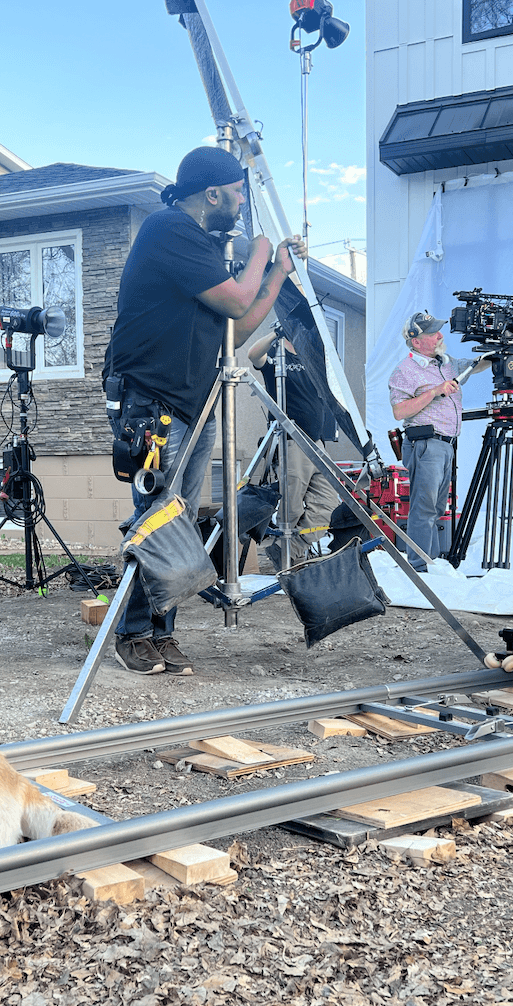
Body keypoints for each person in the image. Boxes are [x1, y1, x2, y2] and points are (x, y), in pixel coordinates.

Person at [103, 145, 306, 676]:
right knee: (158, 518)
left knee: (181, 519)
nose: (242, 202)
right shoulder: (168, 229)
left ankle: (161, 632)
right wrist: (261, 248)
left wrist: (277, 272)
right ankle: (133, 634)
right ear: (213, 193)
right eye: (239, 192)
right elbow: (240, 299)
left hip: (193, 397)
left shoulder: (201, 247)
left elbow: (238, 322)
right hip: (151, 398)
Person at [387, 310, 491, 572]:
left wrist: (498, 351)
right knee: (424, 508)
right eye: (432, 333)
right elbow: (400, 411)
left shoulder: (446, 363)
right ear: (416, 340)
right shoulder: (405, 370)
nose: (439, 335)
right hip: (426, 443)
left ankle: (430, 564)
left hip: (445, 444)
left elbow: (475, 365)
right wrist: (435, 391)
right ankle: (419, 567)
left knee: (435, 507)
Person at [247, 331, 340, 563]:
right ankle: (288, 558)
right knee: (292, 506)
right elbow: (252, 355)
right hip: (291, 441)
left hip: (317, 442)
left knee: (329, 503)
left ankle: (290, 549)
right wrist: (275, 333)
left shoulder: (311, 359)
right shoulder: (276, 356)